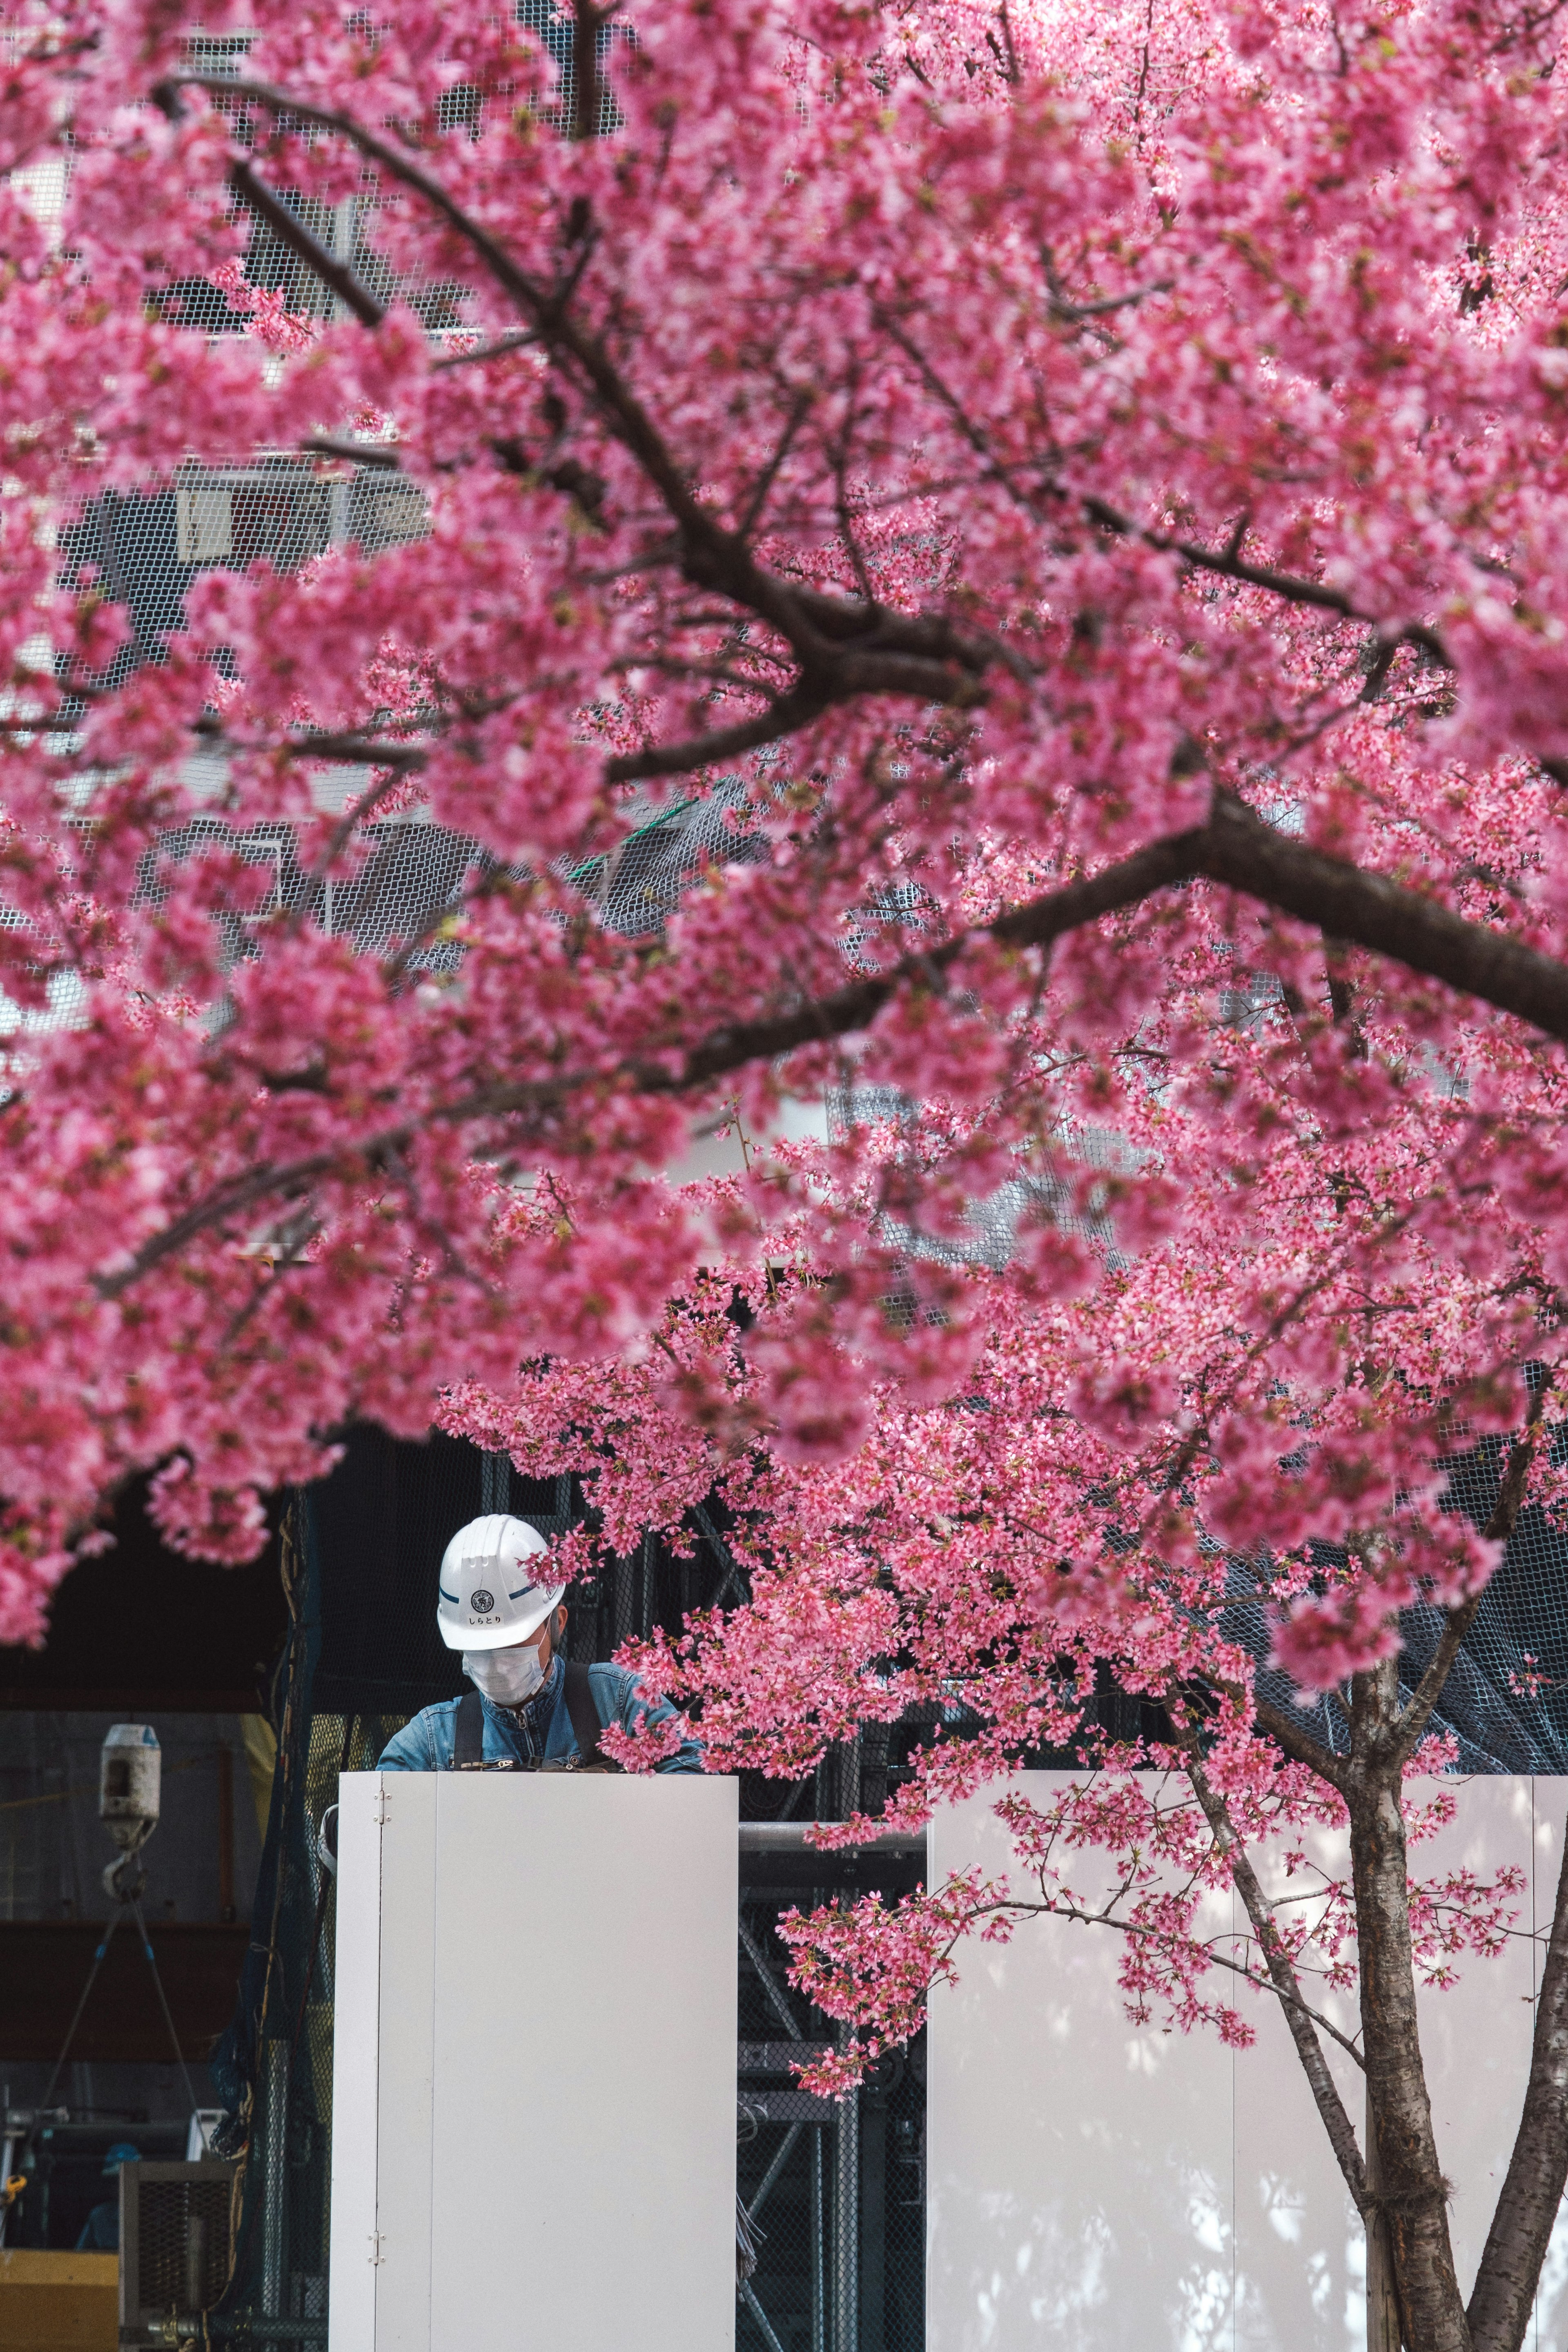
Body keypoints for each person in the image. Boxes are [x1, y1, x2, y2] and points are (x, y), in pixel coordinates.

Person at [377, 1515, 702, 1773]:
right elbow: (376, 1813)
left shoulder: (617, 1702)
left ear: (557, 1622)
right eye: (478, 1645)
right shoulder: (435, 1741)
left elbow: (694, 1786)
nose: (496, 1659)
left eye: (512, 1639)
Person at [75, 2143, 140, 2251]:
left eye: (127, 2180)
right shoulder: (100, 2216)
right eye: (115, 2181)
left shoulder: (154, 2214)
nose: (121, 2186)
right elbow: (80, 2258)